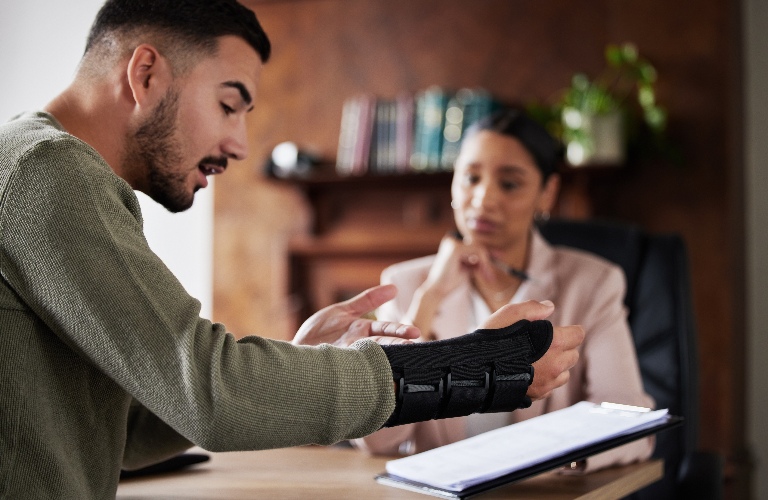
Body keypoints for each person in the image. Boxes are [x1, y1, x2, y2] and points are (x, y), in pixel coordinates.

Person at [0, 2, 585, 498]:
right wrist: (484, 366)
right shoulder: (47, 171)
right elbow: (208, 392)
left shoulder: (43, 173)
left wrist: (295, 355)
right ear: (146, 73)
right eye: (230, 104)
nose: (239, 144)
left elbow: (128, 428)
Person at [354, 107, 654, 473]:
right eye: (470, 178)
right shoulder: (405, 284)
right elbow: (377, 440)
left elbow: (631, 421)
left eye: (509, 184)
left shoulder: (593, 283)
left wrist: (562, 458)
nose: (483, 199)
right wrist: (429, 297)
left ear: (547, 193)